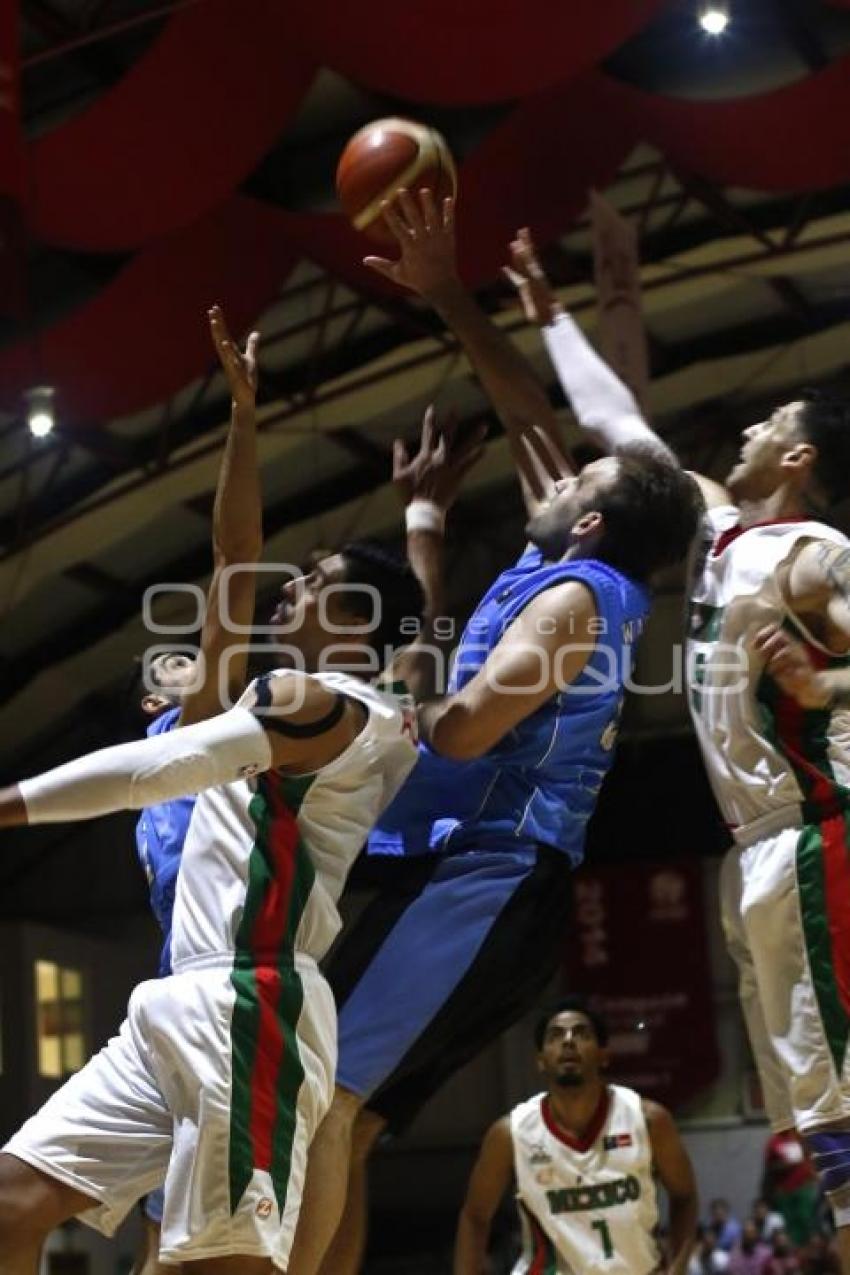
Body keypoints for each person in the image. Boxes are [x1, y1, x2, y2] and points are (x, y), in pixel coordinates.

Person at [285, 191, 703, 1275]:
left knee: (324, 1107)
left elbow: (464, 734)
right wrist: (450, 300)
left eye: (577, 477)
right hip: (471, 881)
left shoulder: (580, 599)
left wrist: (383, 717)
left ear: (593, 519)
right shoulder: (560, 561)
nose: (556, 469)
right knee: (344, 1123)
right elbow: (524, 411)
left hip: (489, 880)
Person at [0, 331, 451, 1268]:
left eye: (317, 582)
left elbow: (148, 772)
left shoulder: (320, 706)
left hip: (252, 1001)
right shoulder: (316, 698)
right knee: (12, 1202)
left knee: (215, 1265)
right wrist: (249, 423)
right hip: (173, 1001)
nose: (289, 586)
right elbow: (236, 557)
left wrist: (8, 805)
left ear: (356, 624)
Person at [501, 226, 850, 1271]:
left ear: (796, 459)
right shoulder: (711, 530)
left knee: (832, 1095)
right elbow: (618, 422)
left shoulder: (810, 551)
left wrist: (823, 680)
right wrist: (551, 313)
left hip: (814, 834)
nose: (744, 422)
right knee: (808, 1101)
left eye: (768, 420)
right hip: (752, 851)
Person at [454, 997, 698, 1275]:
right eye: (555, 1036)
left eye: (581, 1033)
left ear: (604, 1055)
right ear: (541, 1061)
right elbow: (475, 1218)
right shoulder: (511, 1133)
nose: (568, 1041)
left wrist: (677, 1268)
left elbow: (685, 1196)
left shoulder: (648, 1120)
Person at [761, 1133, 819, 1250]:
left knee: (805, 1218)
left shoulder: (800, 1137)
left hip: (804, 1188)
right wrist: (787, 1164)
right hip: (784, 1190)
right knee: (788, 1224)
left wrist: (812, 1178)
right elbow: (770, 1167)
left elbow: (811, 1157)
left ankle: (807, 1250)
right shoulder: (774, 1141)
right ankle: (792, 1252)